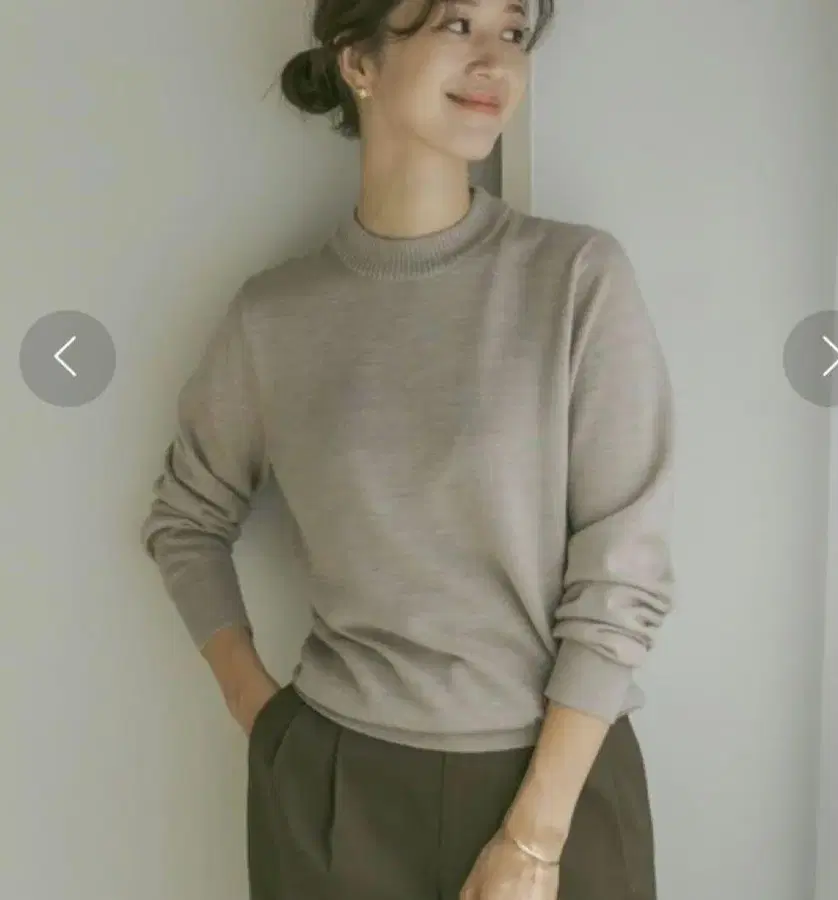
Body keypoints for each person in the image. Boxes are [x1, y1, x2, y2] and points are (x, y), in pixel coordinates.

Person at [140, 0, 676, 897]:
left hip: (559, 787)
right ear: (359, 62)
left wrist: (535, 838)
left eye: (513, 31)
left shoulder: (576, 279)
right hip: (335, 793)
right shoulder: (275, 317)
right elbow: (184, 520)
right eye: (456, 25)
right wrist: (262, 717)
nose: (495, 60)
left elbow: (624, 570)